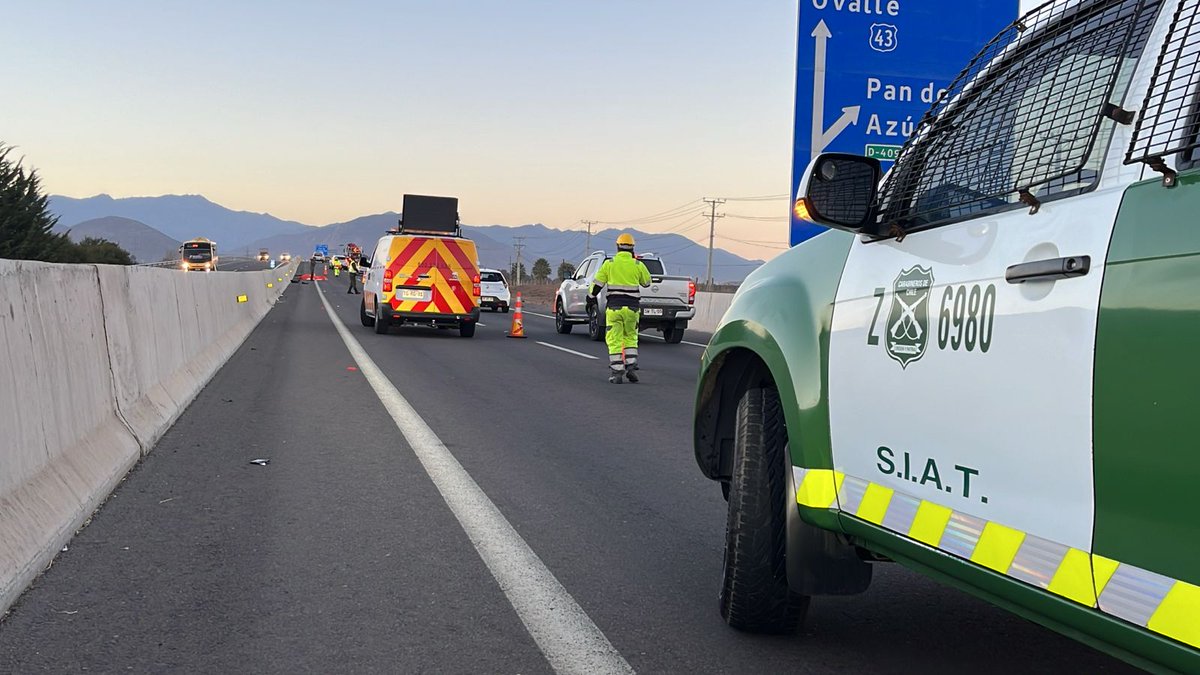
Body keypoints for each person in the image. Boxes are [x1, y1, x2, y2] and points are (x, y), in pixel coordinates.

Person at [590, 233, 651, 383]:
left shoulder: (609, 264)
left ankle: (617, 373)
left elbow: (597, 284)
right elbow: (647, 282)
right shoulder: (638, 265)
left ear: (617, 247)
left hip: (614, 308)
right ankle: (631, 368)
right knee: (631, 337)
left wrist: (590, 297)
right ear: (632, 248)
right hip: (632, 309)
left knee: (614, 339)